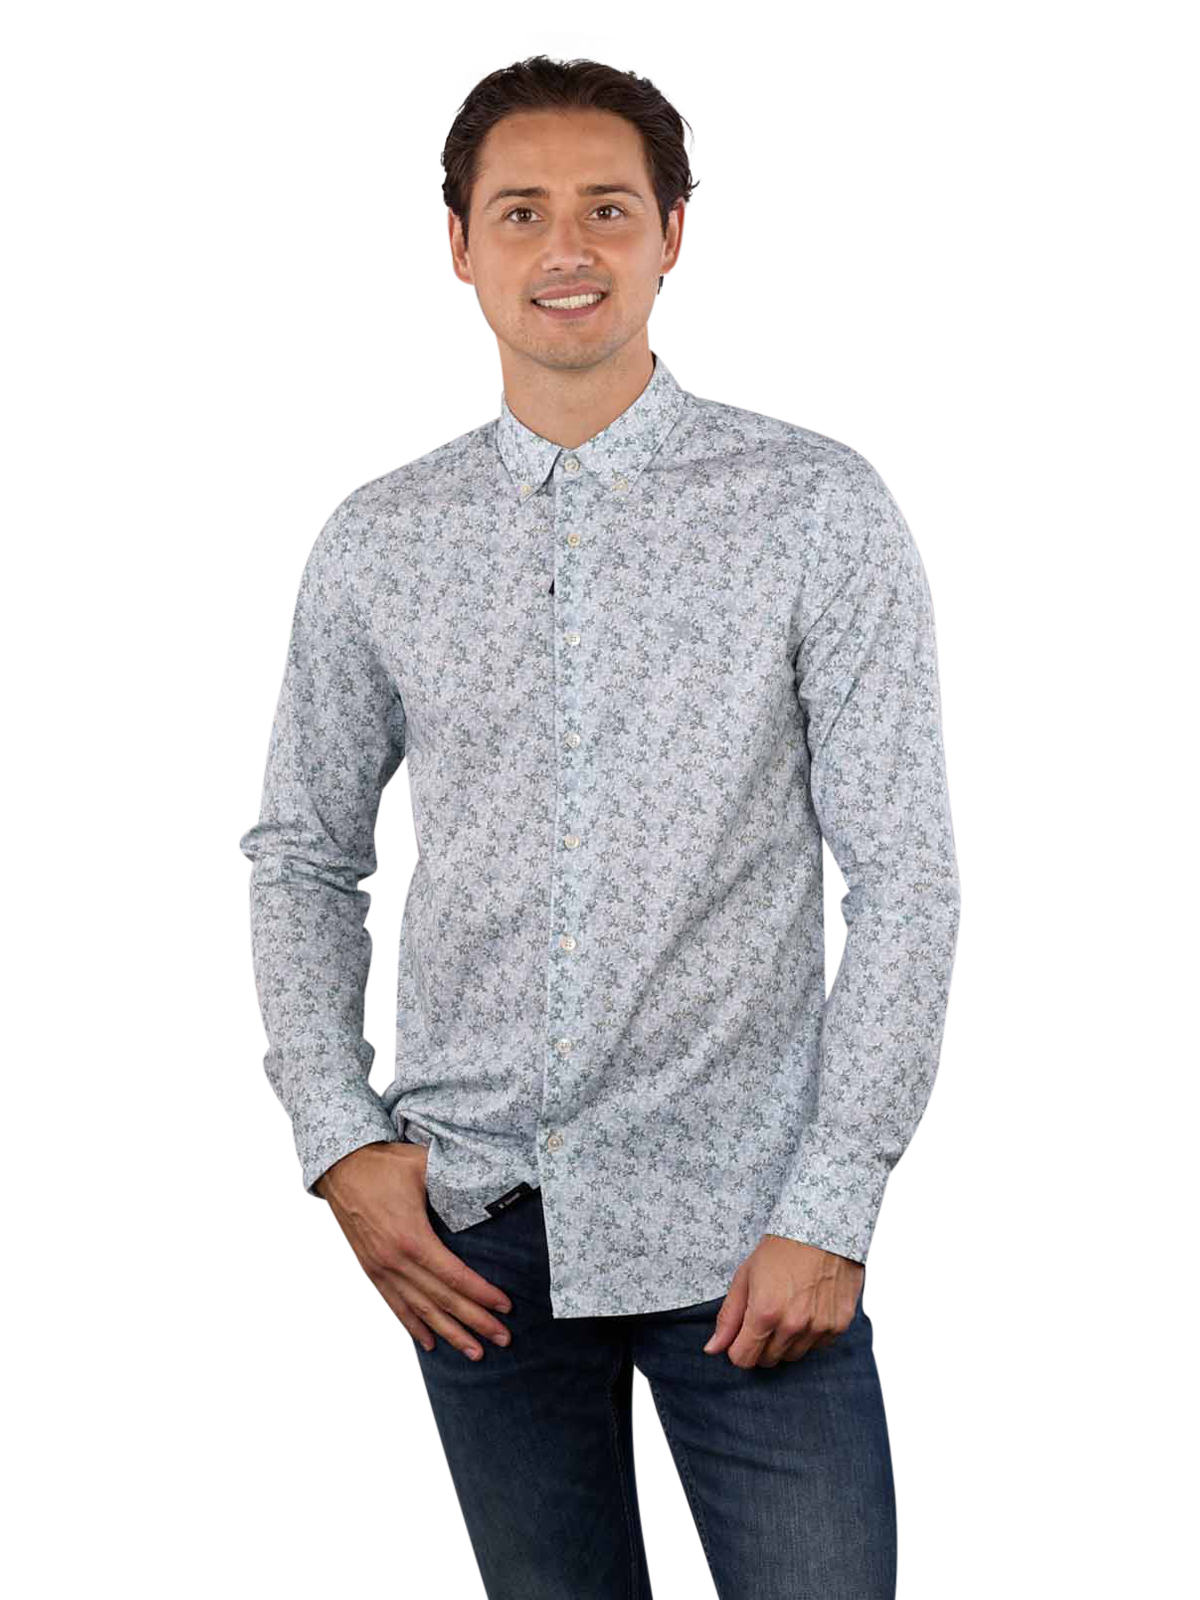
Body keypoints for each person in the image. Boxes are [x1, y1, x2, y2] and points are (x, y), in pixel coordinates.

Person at [241, 57, 961, 1600]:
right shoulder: (381, 545)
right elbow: (302, 852)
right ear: (460, 245)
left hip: (751, 1226)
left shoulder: (815, 514)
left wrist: (837, 1203)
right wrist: (341, 1141)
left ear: (670, 236)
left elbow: (900, 869)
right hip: (476, 1229)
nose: (565, 247)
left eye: (608, 209)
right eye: (521, 211)